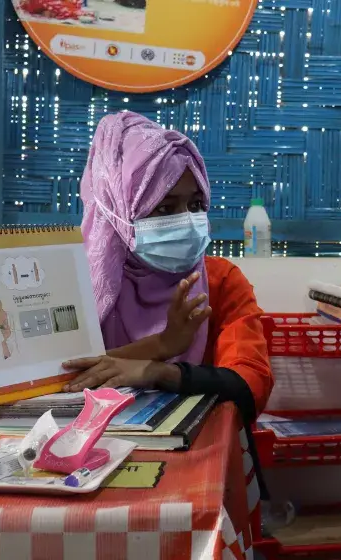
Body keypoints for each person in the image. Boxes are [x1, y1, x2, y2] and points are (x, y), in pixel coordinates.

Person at [61, 111, 273, 429]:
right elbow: (48, 378)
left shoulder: (219, 282)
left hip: (191, 455)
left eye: (197, 205)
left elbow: (251, 384)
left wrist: (160, 371)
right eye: (164, 207)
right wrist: (161, 346)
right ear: (118, 208)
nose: (188, 220)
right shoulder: (71, 284)